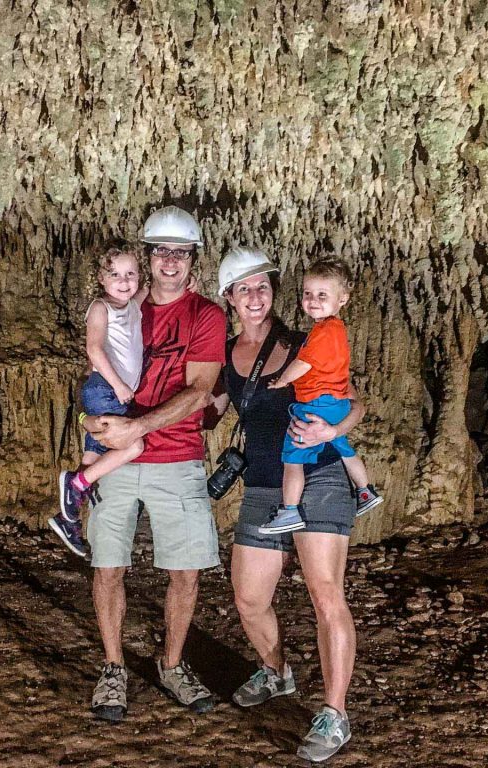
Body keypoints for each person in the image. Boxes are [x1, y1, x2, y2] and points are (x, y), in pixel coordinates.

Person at [207, 246, 364, 763]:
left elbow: (356, 400)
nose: (255, 296)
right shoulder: (227, 356)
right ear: (228, 297)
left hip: (318, 475)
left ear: (273, 292)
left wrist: (334, 428)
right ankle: (276, 673)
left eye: (262, 286)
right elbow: (208, 409)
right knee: (249, 598)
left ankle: (334, 713)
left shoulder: (307, 340)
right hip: (263, 485)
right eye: (243, 288)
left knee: (325, 595)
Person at [82, 205, 226, 723]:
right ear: (148, 257)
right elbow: (97, 359)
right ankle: (114, 667)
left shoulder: (206, 315)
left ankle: (171, 664)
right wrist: (99, 422)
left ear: (192, 259)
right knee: (108, 565)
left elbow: (201, 390)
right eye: (161, 251)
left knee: (185, 571)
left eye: (180, 252)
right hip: (115, 456)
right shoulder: (124, 303)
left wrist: (135, 429)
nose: (170, 260)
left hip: (177, 455)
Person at [258, 259, 382, 535]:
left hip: (317, 404)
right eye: (308, 294)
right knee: (345, 449)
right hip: (336, 404)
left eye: (322, 295)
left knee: (292, 459)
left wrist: (282, 381)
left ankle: (290, 510)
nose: (313, 301)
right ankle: (365, 491)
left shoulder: (324, 332)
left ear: (343, 299)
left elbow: (304, 363)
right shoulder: (335, 330)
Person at [49, 245, 149, 558]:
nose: (124, 280)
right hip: (105, 387)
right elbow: (94, 349)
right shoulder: (100, 308)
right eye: (115, 274)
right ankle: (75, 485)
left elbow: (149, 292)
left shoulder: (132, 304)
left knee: (94, 453)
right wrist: (119, 385)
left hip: (109, 389)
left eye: (130, 274)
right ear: (101, 279)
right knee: (134, 445)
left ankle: (68, 520)